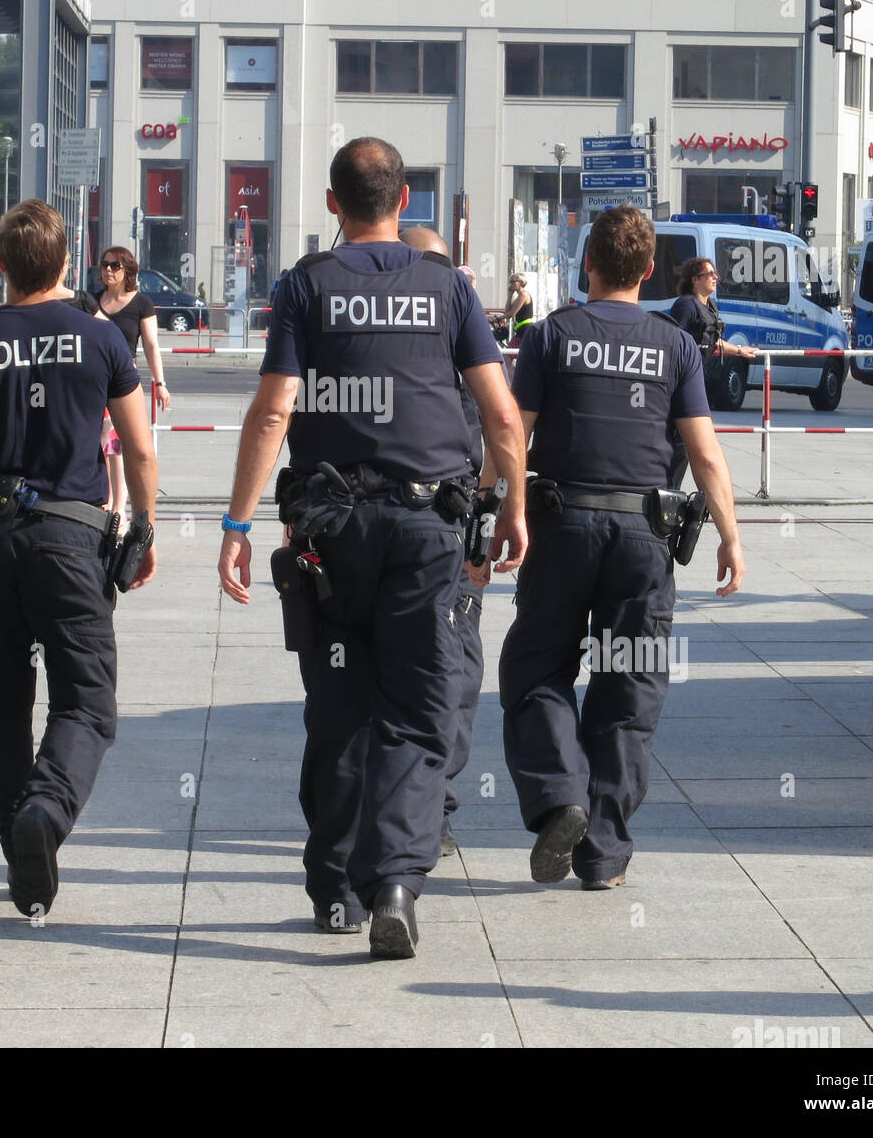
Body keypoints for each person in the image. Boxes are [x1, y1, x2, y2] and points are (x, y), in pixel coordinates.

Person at [217, 137, 528, 960]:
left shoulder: (304, 286)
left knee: (340, 707)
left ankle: (334, 892)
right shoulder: (447, 287)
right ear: (406, 202)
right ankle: (394, 880)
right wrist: (512, 508)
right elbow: (501, 416)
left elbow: (274, 411)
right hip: (428, 531)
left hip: (331, 533)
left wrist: (238, 524)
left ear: (332, 204)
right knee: (422, 714)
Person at [0, 199, 158, 919]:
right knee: (86, 701)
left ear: (2, 265)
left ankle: (21, 835)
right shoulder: (101, 340)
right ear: (68, 262)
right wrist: (144, 529)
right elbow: (138, 447)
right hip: (74, 542)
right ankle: (46, 811)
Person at [490, 205, 744, 893]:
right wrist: (730, 536)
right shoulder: (675, 345)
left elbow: (513, 435)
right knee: (628, 686)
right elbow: (705, 452)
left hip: (564, 526)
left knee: (537, 668)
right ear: (651, 270)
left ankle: (559, 797)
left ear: (587, 264)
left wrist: (493, 510)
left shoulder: (552, 336)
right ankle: (603, 854)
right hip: (644, 538)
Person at [400, 225, 485, 860]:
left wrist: (488, 529)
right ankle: (413, 812)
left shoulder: (464, 337)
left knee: (454, 673)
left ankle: (433, 807)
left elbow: (497, 434)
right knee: (441, 670)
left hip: (455, 533)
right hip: (421, 535)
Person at [95, 246, 170, 511]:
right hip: (95, 381)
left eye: (115, 266)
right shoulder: (93, 301)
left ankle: (119, 505)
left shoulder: (141, 303)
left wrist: (159, 383)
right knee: (100, 444)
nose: (108, 270)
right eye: (105, 265)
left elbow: (151, 345)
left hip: (124, 383)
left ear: (127, 270)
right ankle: (105, 501)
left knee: (117, 444)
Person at [668, 256, 758, 385]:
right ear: (695, 280)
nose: (716, 277)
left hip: (699, 373)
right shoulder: (686, 305)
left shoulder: (710, 306)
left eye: (715, 273)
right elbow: (674, 340)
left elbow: (713, 341)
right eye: (710, 274)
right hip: (683, 375)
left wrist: (740, 351)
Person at [502, 273, 535, 341]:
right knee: (511, 349)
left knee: (512, 350)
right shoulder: (519, 296)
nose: (511, 284)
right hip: (520, 329)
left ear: (521, 282)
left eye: (513, 281)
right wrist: (509, 296)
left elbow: (511, 314)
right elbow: (507, 312)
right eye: (510, 282)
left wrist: (498, 318)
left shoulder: (523, 295)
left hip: (525, 329)